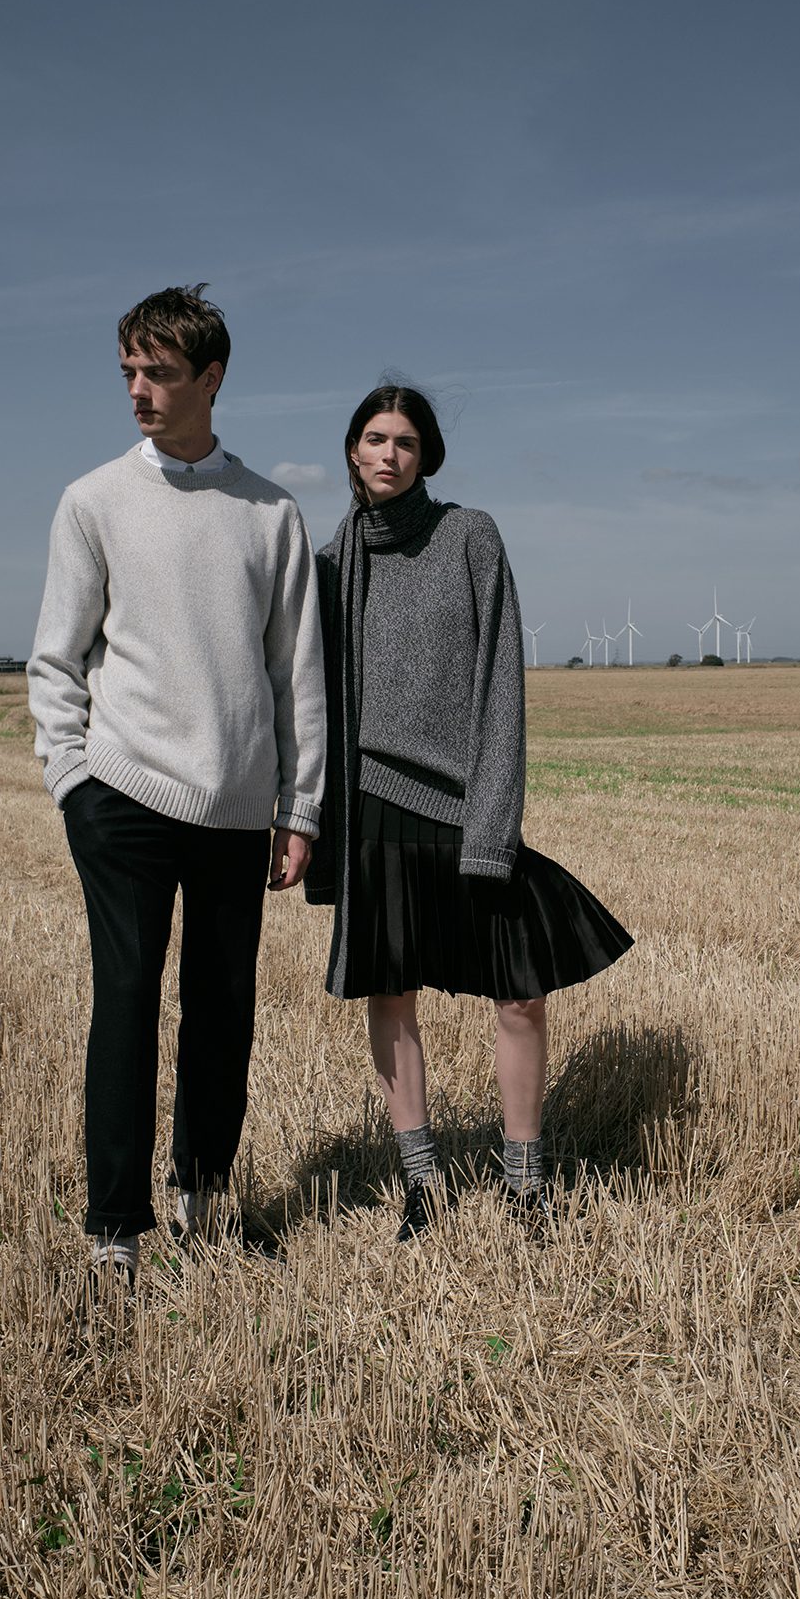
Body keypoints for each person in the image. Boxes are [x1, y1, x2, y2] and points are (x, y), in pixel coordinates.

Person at [27, 284, 325, 1288]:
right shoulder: (93, 500)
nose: (139, 392)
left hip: (239, 806)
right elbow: (55, 660)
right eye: (129, 373)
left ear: (212, 377)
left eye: (158, 373)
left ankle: (204, 1192)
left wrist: (302, 808)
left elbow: (299, 676)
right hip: (122, 797)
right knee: (125, 1003)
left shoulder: (273, 514)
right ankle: (116, 1226)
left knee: (223, 1008)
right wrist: (73, 781)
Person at [305, 384, 631, 1239]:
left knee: (520, 996)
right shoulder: (333, 562)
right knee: (392, 994)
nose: (387, 454)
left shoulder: (469, 537)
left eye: (405, 442)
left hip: (461, 805)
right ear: (351, 451)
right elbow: (306, 698)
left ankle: (526, 1180)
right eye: (373, 438)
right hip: (371, 807)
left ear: (427, 457)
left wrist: (493, 822)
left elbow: (501, 689)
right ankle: (423, 1182)